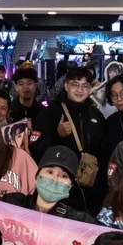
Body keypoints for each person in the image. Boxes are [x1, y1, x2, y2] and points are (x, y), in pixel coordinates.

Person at [31, 66, 108, 213]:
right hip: (58, 186)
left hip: (90, 187)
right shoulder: (51, 112)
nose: (80, 90)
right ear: (66, 86)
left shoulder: (96, 115)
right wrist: (57, 135)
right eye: (75, 85)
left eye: (85, 86)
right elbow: (35, 148)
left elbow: (102, 152)